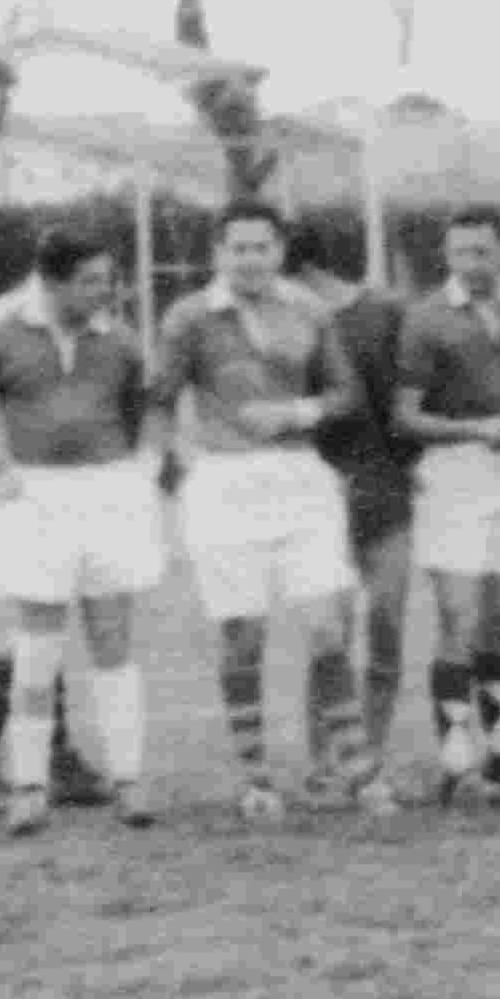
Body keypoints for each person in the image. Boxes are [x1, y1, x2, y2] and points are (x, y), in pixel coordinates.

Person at [0, 227, 162, 836]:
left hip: (107, 496)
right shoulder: (1, 332)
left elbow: (140, 415)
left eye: (109, 280)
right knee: (36, 646)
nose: (106, 292)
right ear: (53, 281)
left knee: (113, 640)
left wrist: (135, 475)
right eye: (90, 281)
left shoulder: (122, 342)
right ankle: (28, 785)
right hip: (34, 500)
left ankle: (130, 782)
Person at [150, 200, 373, 821]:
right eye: (237, 248)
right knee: (242, 635)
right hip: (224, 486)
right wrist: (175, 465)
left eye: (261, 247)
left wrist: (296, 414)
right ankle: (256, 777)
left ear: (280, 250)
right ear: (217, 254)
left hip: (301, 480)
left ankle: (356, 767)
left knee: (329, 624)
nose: (249, 259)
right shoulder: (189, 317)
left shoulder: (309, 309)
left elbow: (345, 393)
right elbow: (160, 400)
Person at [394, 203, 500, 802]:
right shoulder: (425, 319)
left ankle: (499, 754)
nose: (472, 263)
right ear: (447, 255)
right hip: (455, 475)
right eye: (460, 252)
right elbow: (407, 415)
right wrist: (474, 431)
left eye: (483, 251)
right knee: (458, 617)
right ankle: (456, 763)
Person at [0, 291, 113, 819]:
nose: (99, 287)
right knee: (38, 620)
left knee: (46, 619)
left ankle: (53, 756)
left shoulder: (83, 317)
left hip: (41, 482)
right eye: (89, 276)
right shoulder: (10, 320)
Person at [280, 218, 418, 809]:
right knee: (328, 632)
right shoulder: (280, 321)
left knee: (386, 624)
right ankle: (321, 762)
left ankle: (370, 757)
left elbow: (404, 401)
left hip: (381, 485)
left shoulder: (381, 314)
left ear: (302, 270)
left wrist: (401, 467)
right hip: (314, 490)